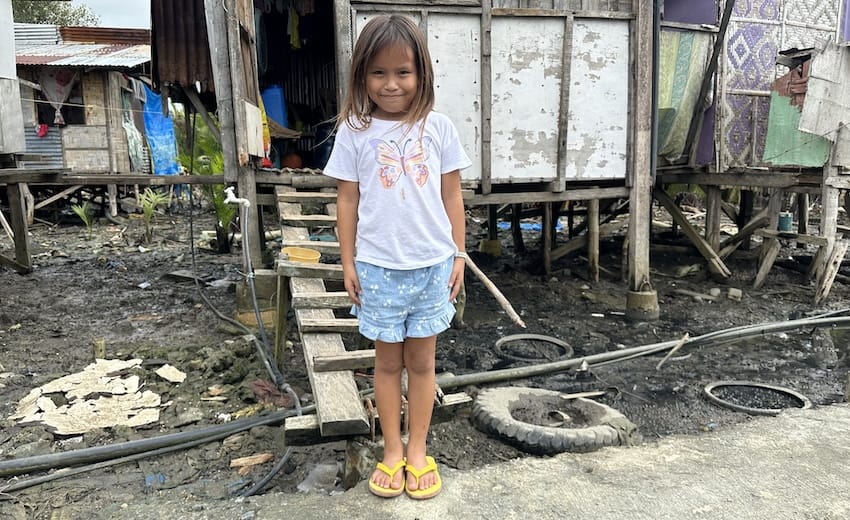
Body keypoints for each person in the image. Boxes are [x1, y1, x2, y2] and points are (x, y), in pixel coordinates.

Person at [322, 14, 470, 500]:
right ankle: (390, 449)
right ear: (362, 75)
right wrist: (347, 262)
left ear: (421, 74)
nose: (391, 84)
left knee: (423, 364)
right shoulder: (355, 131)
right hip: (378, 268)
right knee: (385, 366)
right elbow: (347, 199)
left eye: (403, 73)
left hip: (431, 265)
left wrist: (459, 254)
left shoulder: (439, 128)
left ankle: (418, 450)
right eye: (378, 73)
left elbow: (452, 196)